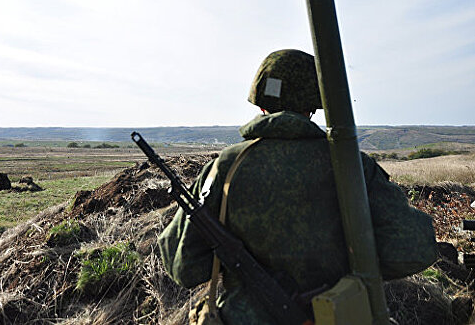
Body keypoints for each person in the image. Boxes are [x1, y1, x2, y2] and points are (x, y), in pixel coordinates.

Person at [157, 49, 437, 324]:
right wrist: (350, 274)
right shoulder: (351, 165)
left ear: (260, 103)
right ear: (312, 105)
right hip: (339, 315)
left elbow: (184, 267)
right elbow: (414, 249)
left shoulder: (227, 166)